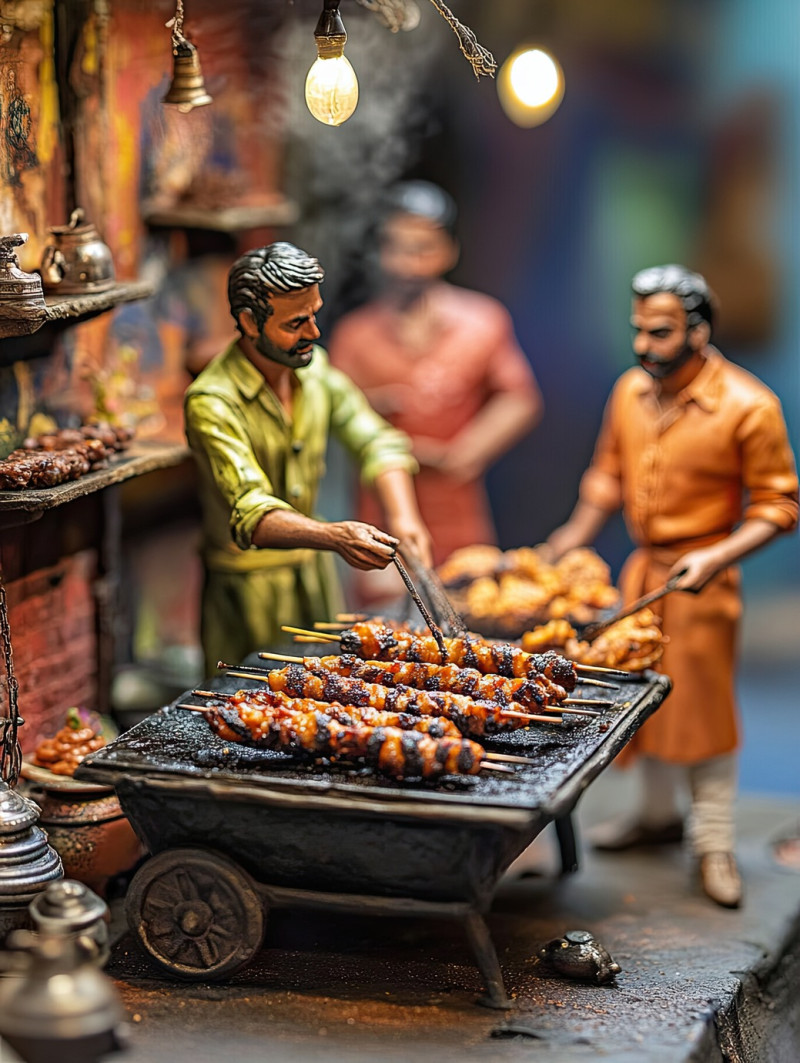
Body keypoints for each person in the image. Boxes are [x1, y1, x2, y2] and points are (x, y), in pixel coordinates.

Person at [544, 264, 798, 908]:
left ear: (699, 331)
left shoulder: (748, 405)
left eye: (659, 333)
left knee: (702, 711)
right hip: (643, 577)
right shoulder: (630, 391)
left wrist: (716, 555)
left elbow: (778, 505)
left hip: (702, 585)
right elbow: (606, 473)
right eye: (638, 330)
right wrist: (573, 535)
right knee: (641, 701)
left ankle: (712, 840)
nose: (643, 345)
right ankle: (656, 816)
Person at [184, 241, 431, 673]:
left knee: (329, 685)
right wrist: (334, 537)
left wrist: (404, 516)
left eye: (314, 315)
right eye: (296, 323)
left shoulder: (315, 371)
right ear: (250, 322)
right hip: (249, 590)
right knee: (250, 696)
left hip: (314, 578)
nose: (314, 333)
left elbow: (375, 438)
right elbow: (252, 512)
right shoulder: (212, 402)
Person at [329, 181, 542, 579]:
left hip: (459, 519)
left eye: (423, 248)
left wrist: (465, 454)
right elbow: (324, 410)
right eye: (396, 247)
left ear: (449, 250)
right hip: (380, 523)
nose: (408, 264)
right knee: (385, 612)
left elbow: (520, 398)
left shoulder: (481, 321)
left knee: (468, 602)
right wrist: (365, 407)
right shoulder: (355, 335)